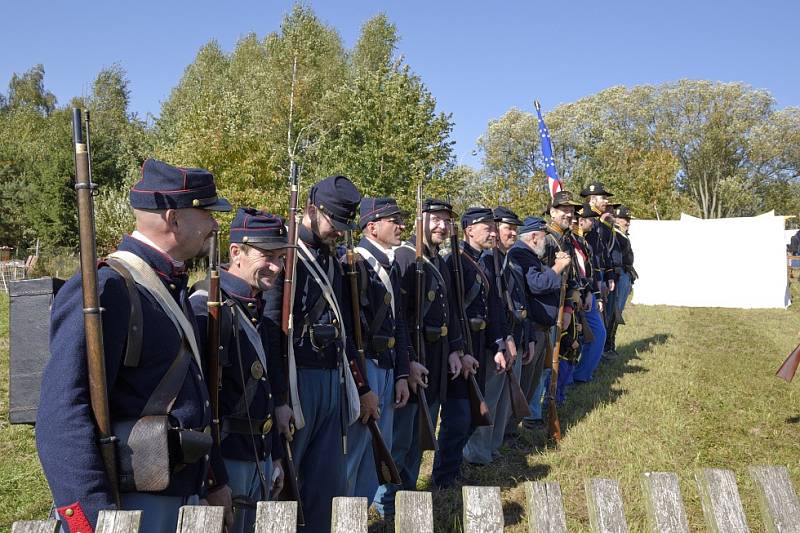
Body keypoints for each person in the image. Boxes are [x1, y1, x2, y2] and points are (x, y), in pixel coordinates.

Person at [36, 158, 233, 533]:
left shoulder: (168, 286)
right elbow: (62, 415)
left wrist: (214, 481)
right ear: (173, 219)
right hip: (130, 506)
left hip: (179, 493)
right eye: (206, 213)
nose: (214, 224)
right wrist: (93, 521)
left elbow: (197, 400)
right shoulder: (108, 287)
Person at [263, 175, 378, 533]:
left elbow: (347, 330)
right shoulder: (285, 256)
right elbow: (270, 332)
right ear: (310, 211)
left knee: (326, 483)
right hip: (296, 384)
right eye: (334, 223)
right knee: (287, 485)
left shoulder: (333, 260)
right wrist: (278, 397)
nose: (339, 233)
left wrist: (361, 386)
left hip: (333, 377)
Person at [189, 208, 289, 533]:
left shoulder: (254, 305)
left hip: (257, 455)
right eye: (267, 256)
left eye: (279, 256)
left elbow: (266, 390)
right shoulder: (206, 307)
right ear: (236, 253)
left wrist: (273, 454)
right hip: (227, 461)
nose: (276, 266)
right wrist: (214, 479)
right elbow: (197, 404)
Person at [375, 198, 466, 516]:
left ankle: (408, 500)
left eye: (446, 220)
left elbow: (450, 309)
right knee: (400, 442)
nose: (442, 225)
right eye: (435, 219)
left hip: (436, 361)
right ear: (420, 221)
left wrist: (456, 347)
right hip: (415, 363)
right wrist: (409, 361)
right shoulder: (404, 256)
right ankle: (387, 506)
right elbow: (398, 319)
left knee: (418, 439)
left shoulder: (437, 260)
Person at [344, 197, 411, 500]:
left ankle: (367, 508)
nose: (401, 225)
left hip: (387, 363)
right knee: (355, 451)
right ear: (372, 226)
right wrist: (362, 384)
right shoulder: (355, 263)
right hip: (365, 364)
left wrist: (401, 373)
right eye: (393, 220)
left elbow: (400, 323)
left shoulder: (390, 263)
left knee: (377, 450)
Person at [463, 206, 521, 463]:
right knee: (480, 402)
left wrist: (505, 338)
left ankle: (487, 450)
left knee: (495, 400)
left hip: (493, 338)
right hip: (475, 343)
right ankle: (476, 453)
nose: (495, 232)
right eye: (490, 227)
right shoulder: (480, 260)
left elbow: (497, 305)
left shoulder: (495, 259)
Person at [508, 217, 570, 427]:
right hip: (532, 327)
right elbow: (537, 285)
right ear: (534, 237)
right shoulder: (520, 253)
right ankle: (508, 431)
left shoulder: (527, 255)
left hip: (540, 329)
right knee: (523, 385)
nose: (546, 242)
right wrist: (558, 267)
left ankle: (510, 431)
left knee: (531, 384)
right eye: (544, 237)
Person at [570, 204, 607, 383]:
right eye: (589, 219)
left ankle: (580, 375)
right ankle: (573, 378)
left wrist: (594, 294)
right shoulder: (570, 242)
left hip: (586, 295)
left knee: (597, 334)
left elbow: (590, 272)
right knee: (573, 341)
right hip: (575, 297)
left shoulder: (584, 242)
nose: (592, 223)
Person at [605, 205, 636, 354]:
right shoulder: (614, 234)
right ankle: (608, 346)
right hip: (618, 277)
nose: (627, 222)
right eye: (625, 219)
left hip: (624, 275)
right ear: (616, 219)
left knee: (617, 311)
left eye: (628, 219)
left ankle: (610, 344)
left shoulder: (620, 234)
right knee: (614, 312)